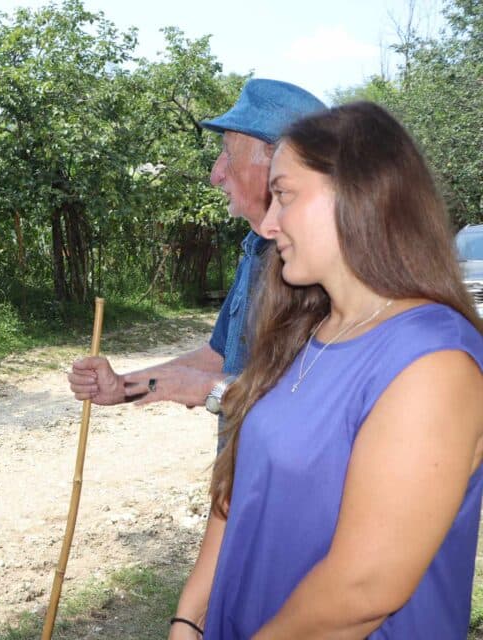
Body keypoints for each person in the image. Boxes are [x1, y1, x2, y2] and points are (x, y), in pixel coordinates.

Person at [169, 101, 483, 639]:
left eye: (284, 195)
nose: (268, 224)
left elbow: (363, 592)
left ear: (357, 195)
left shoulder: (434, 361)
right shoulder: (304, 328)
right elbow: (241, 490)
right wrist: (189, 617)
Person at [68, 79, 324, 442]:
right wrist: (122, 388)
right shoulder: (255, 250)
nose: (215, 174)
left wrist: (210, 389)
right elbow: (217, 358)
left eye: (228, 155)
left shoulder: (323, 274)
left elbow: (314, 407)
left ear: (276, 160)